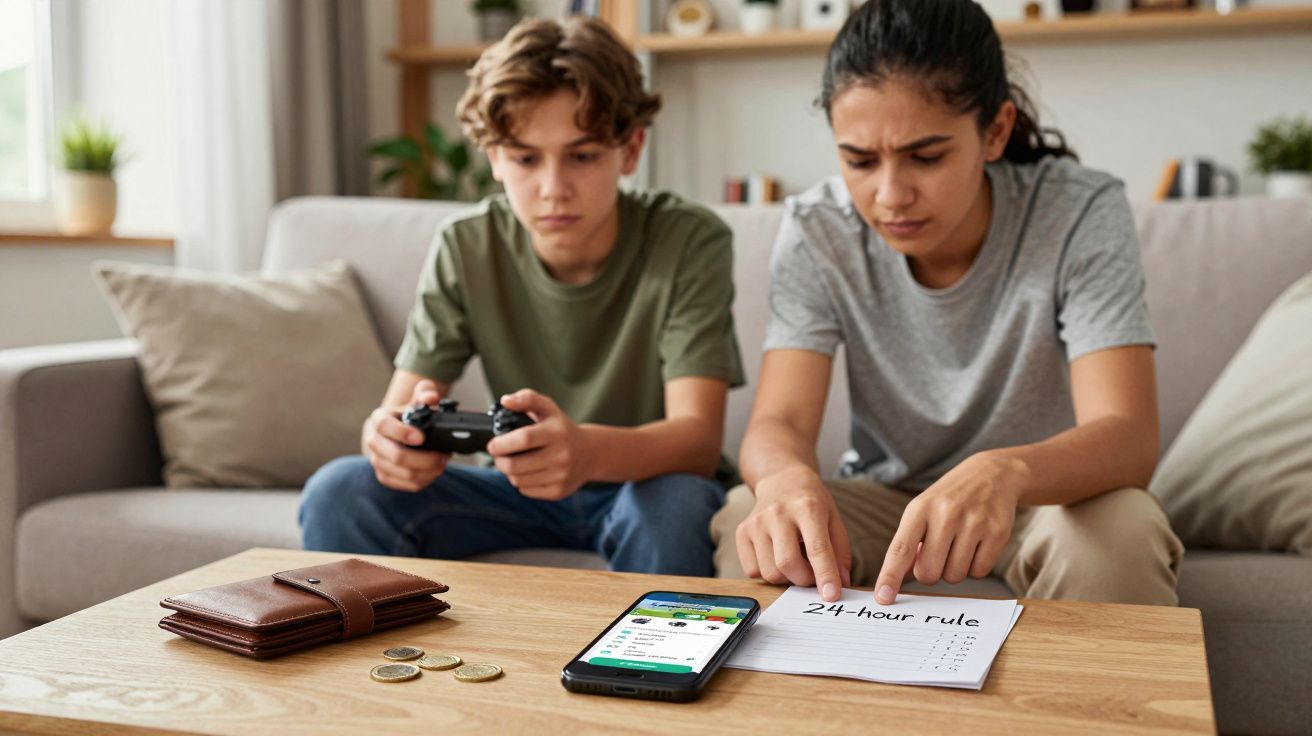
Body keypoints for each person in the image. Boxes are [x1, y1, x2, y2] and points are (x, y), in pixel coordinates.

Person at [711, 0, 1182, 606]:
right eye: (858, 161)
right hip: (888, 500)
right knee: (755, 512)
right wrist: (784, 480)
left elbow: (1128, 436)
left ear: (995, 131)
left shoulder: (1079, 213)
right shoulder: (818, 228)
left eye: (926, 157)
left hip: (1045, 500)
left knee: (1122, 531)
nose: (889, 195)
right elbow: (780, 423)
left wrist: (1005, 472)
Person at [300, 18, 744, 576]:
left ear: (630, 150)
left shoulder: (688, 239)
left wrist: (584, 451)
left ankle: (645, 665)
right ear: (492, 156)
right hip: (507, 486)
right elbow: (405, 405)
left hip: (643, 486)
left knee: (678, 503)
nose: (553, 188)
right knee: (341, 489)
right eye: (526, 159)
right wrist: (390, 439)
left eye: (581, 156)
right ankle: (359, 661)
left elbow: (697, 442)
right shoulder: (466, 245)